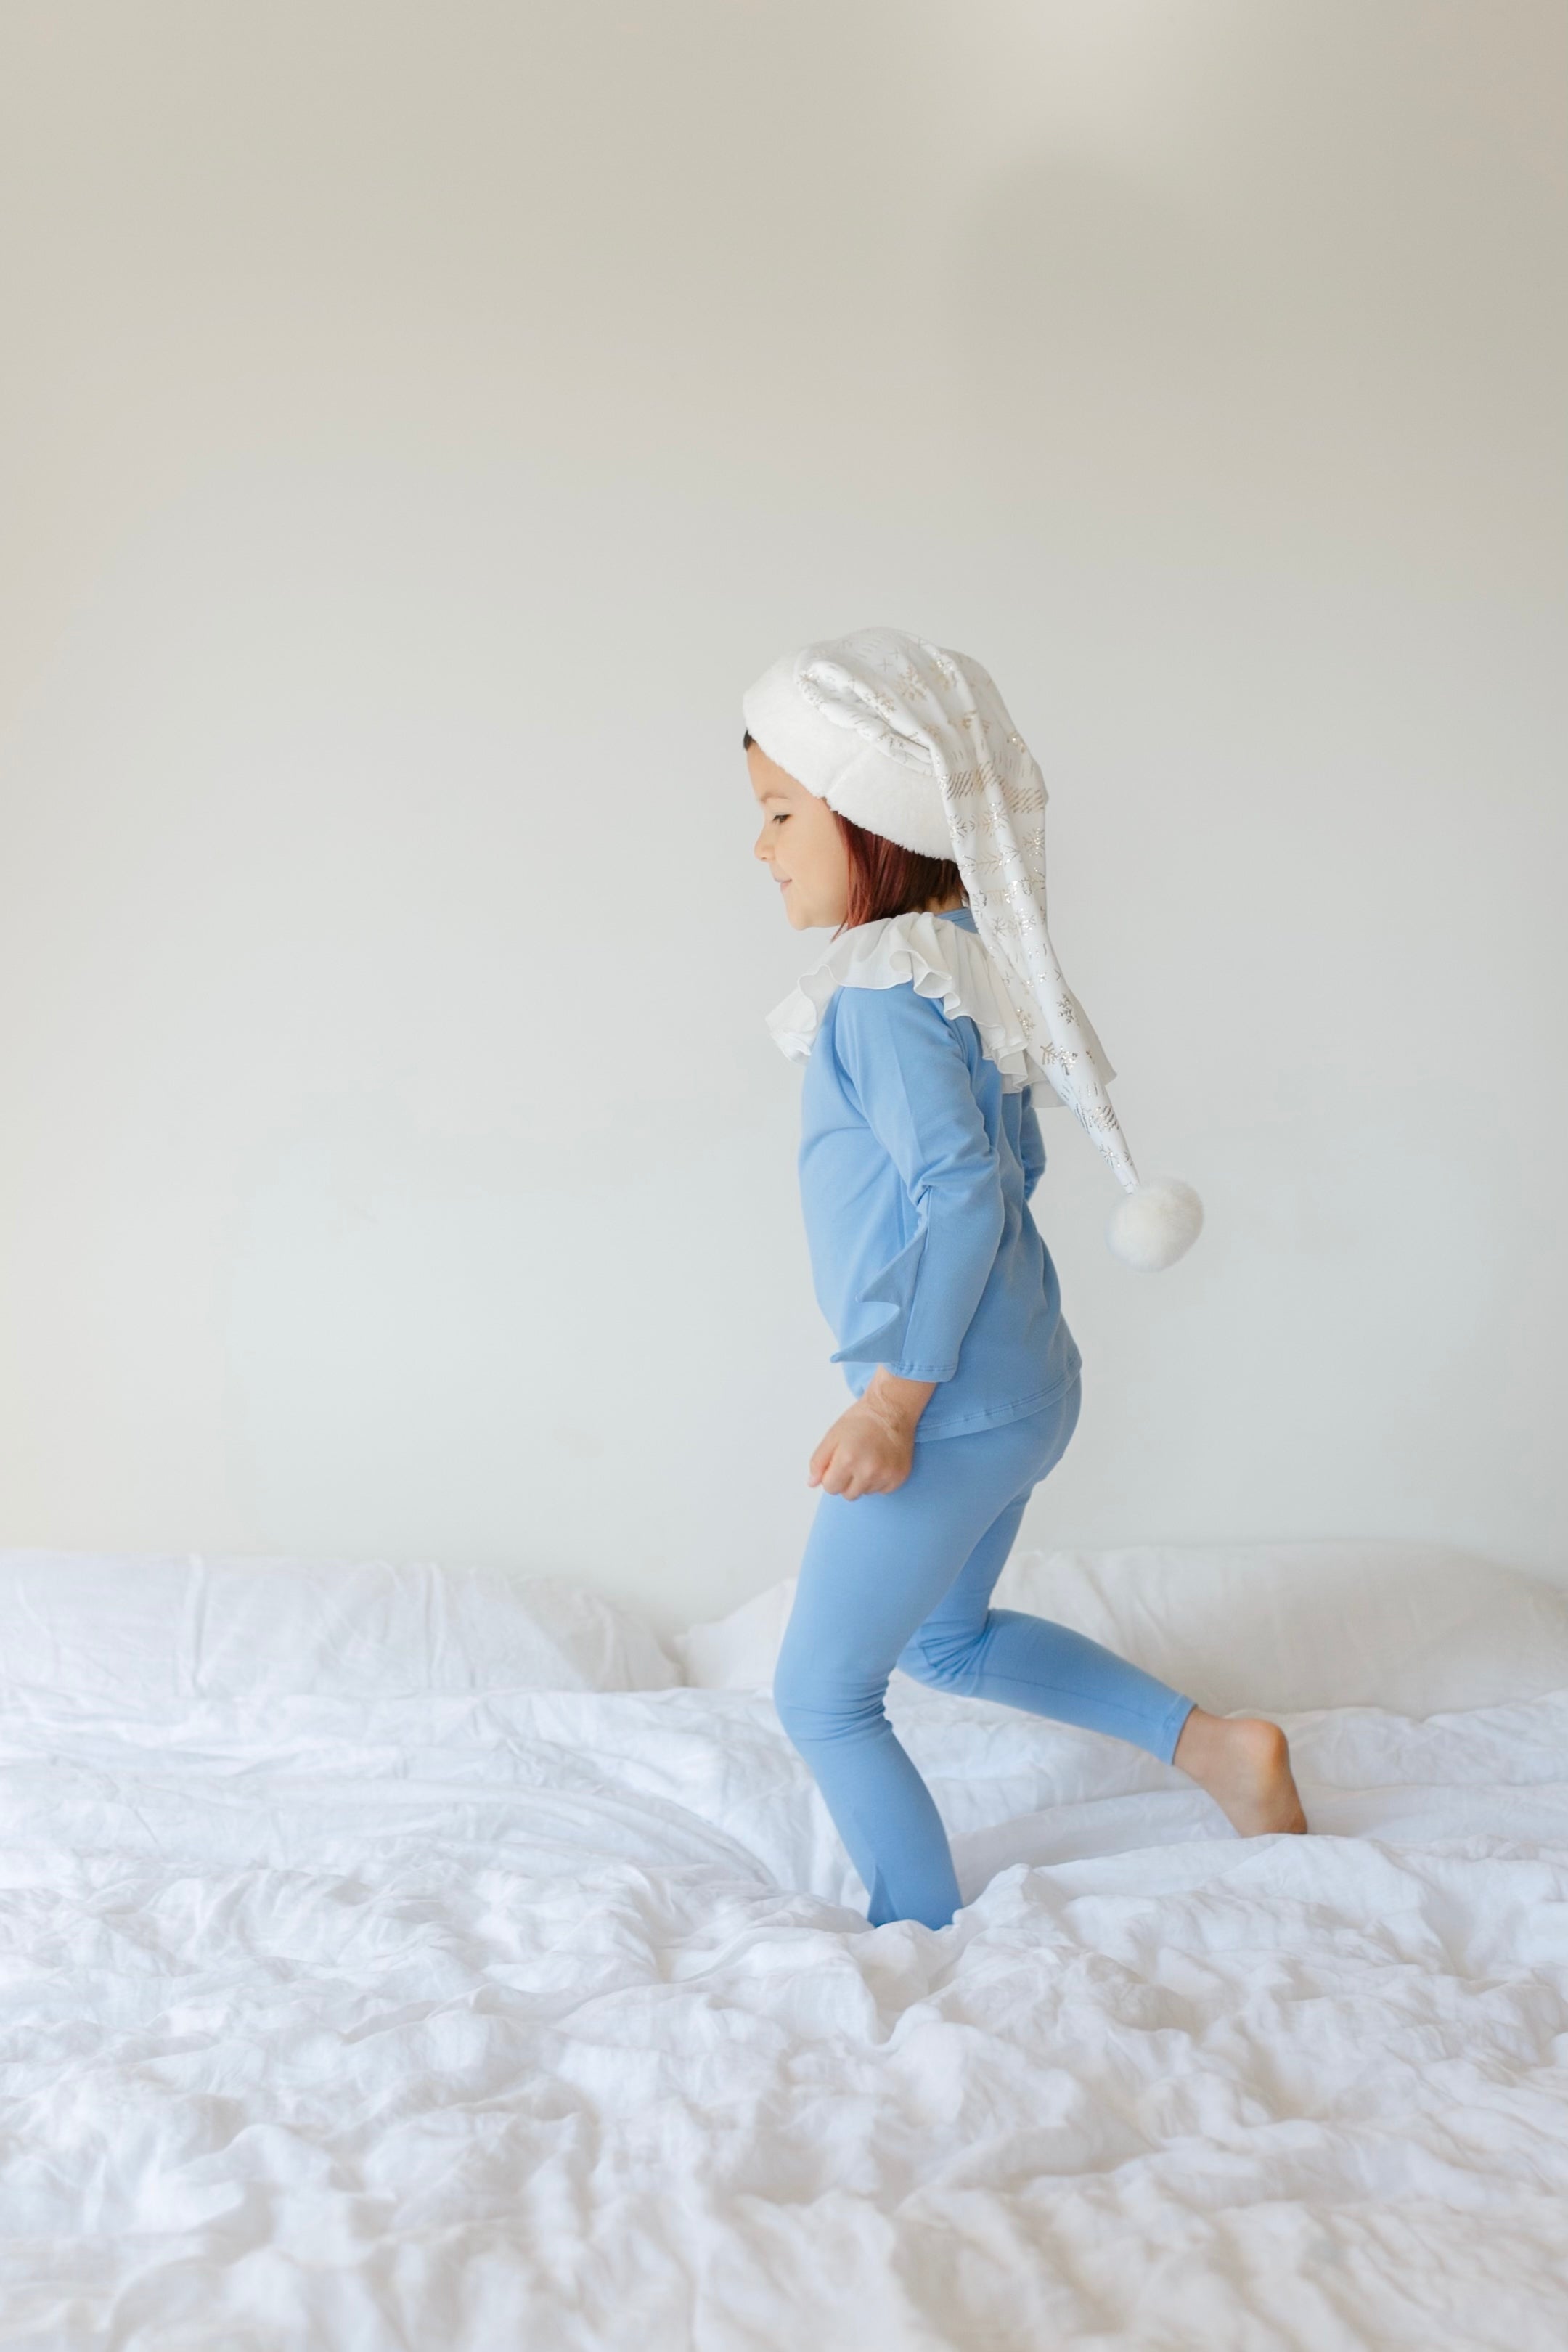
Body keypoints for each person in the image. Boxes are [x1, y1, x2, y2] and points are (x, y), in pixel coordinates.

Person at [743, 625, 1306, 1932]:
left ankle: (919, 1939)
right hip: (1024, 1384)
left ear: (872, 821)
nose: (760, 847)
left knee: (822, 1695)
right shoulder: (963, 970)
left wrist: (895, 1399)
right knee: (948, 1638)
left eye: (780, 813)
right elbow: (1014, 1168)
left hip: (948, 1404)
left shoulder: (883, 995)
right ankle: (1220, 1749)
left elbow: (960, 1193)